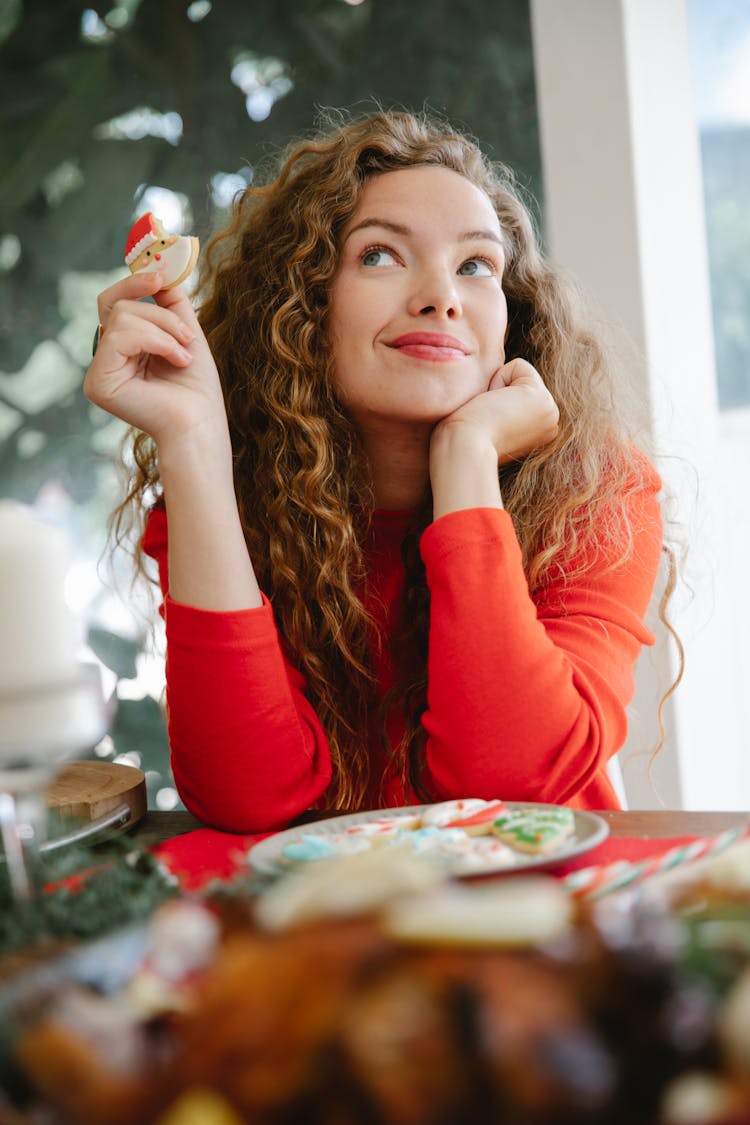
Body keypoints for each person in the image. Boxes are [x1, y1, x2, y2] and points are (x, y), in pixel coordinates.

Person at [84, 110, 670, 833]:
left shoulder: (595, 491)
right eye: (380, 255)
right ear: (302, 303)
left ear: (512, 318)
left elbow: (513, 787)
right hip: (321, 931)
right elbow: (247, 796)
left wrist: (467, 459)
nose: (441, 296)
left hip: (541, 924)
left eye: (475, 265)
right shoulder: (224, 497)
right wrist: (194, 439)